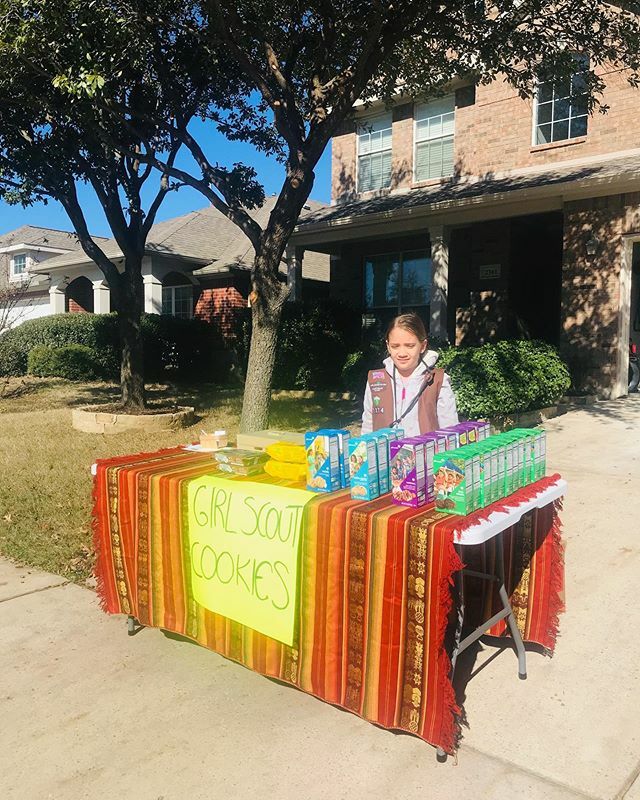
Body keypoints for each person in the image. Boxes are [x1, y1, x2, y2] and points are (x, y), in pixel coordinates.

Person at [361, 313, 458, 436]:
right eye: (395, 346)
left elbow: (450, 431)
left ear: (422, 346)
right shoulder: (375, 381)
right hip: (385, 454)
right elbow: (368, 427)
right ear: (388, 346)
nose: (402, 353)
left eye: (410, 346)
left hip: (426, 454)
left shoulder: (438, 380)